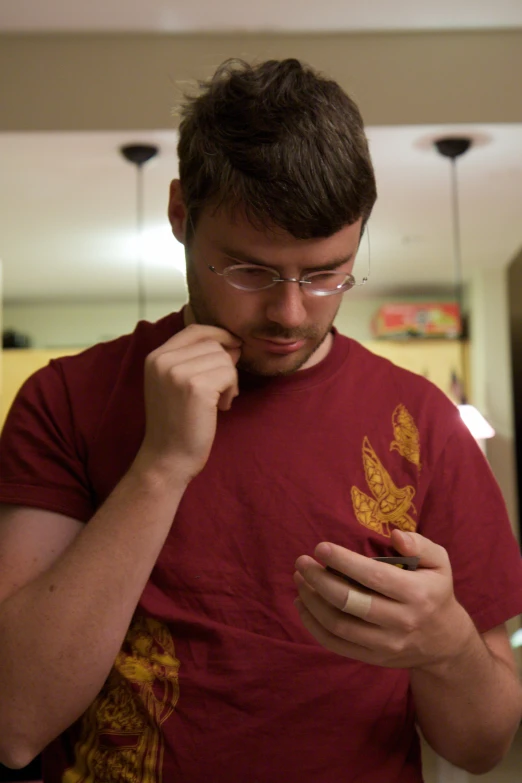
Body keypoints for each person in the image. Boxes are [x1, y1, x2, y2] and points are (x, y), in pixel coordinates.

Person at [0, 58, 521, 783]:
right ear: (181, 214)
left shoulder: (425, 423)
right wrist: (160, 466)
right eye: (249, 271)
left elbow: (483, 746)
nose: (290, 312)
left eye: (327, 273)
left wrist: (446, 646)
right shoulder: (65, 399)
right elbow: (15, 720)